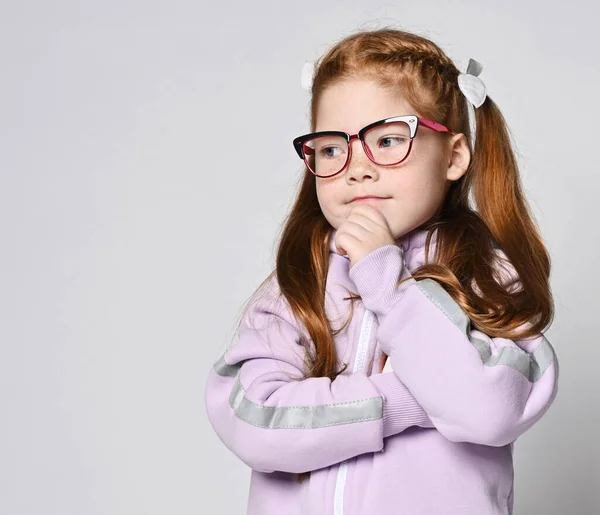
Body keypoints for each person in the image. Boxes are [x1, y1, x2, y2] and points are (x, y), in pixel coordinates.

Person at [204, 27, 559, 515]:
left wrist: (386, 284)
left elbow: (487, 410)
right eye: (332, 148)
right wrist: (403, 398)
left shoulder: (486, 278)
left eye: (389, 140)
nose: (356, 168)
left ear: (454, 155)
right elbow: (252, 423)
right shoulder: (300, 282)